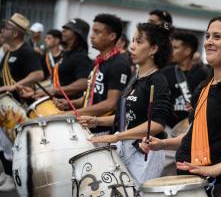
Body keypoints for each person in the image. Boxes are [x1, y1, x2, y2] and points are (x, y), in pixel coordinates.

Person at [140, 14, 221, 196]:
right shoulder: (205, 86)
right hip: (190, 184)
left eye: (217, 37)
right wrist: (162, 143)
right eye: (208, 36)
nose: (209, 42)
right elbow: (196, 137)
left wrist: (215, 169)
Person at [78, 22, 172, 187]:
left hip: (144, 152)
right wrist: (97, 120)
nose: (132, 47)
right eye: (133, 41)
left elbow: (157, 124)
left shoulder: (158, 80)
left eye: (139, 42)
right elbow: (127, 116)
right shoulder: (135, 77)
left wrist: (116, 136)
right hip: (125, 145)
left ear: (153, 49)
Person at [55, 14, 131, 134]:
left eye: (97, 32)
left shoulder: (118, 64)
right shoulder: (98, 62)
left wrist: (74, 113)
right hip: (88, 127)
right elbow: (93, 97)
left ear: (112, 36)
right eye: (92, 31)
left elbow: (111, 103)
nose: (91, 36)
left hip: (103, 131)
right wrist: (71, 103)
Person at [20, 18, 93, 100]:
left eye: (68, 29)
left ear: (77, 34)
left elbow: (84, 83)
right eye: (64, 28)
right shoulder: (65, 55)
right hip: (55, 103)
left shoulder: (81, 57)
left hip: (67, 108)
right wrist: (36, 92)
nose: (63, 31)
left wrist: (54, 91)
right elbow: (58, 85)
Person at [162, 31, 210, 129]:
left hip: (192, 128)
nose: (170, 51)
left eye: (175, 48)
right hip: (166, 128)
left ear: (188, 51)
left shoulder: (204, 74)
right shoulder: (165, 72)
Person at [0, 13, 44, 94]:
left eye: (6, 28)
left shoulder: (26, 51)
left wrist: (14, 86)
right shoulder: (9, 51)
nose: (2, 30)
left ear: (15, 34)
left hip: (19, 103)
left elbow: (38, 74)